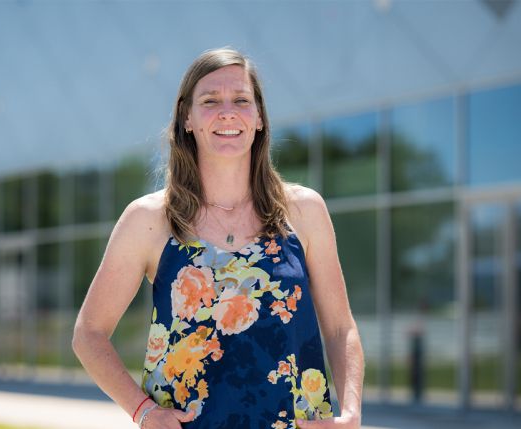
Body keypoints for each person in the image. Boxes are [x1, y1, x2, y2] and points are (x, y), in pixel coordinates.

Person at [72, 47, 364, 429]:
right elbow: (89, 334)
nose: (228, 112)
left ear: (259, 117)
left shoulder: (304, 212)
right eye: (210, 101)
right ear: (187, 118)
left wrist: (352, 414)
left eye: (241, 100)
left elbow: (341, 329)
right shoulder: (150, 220)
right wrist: (143, 411)